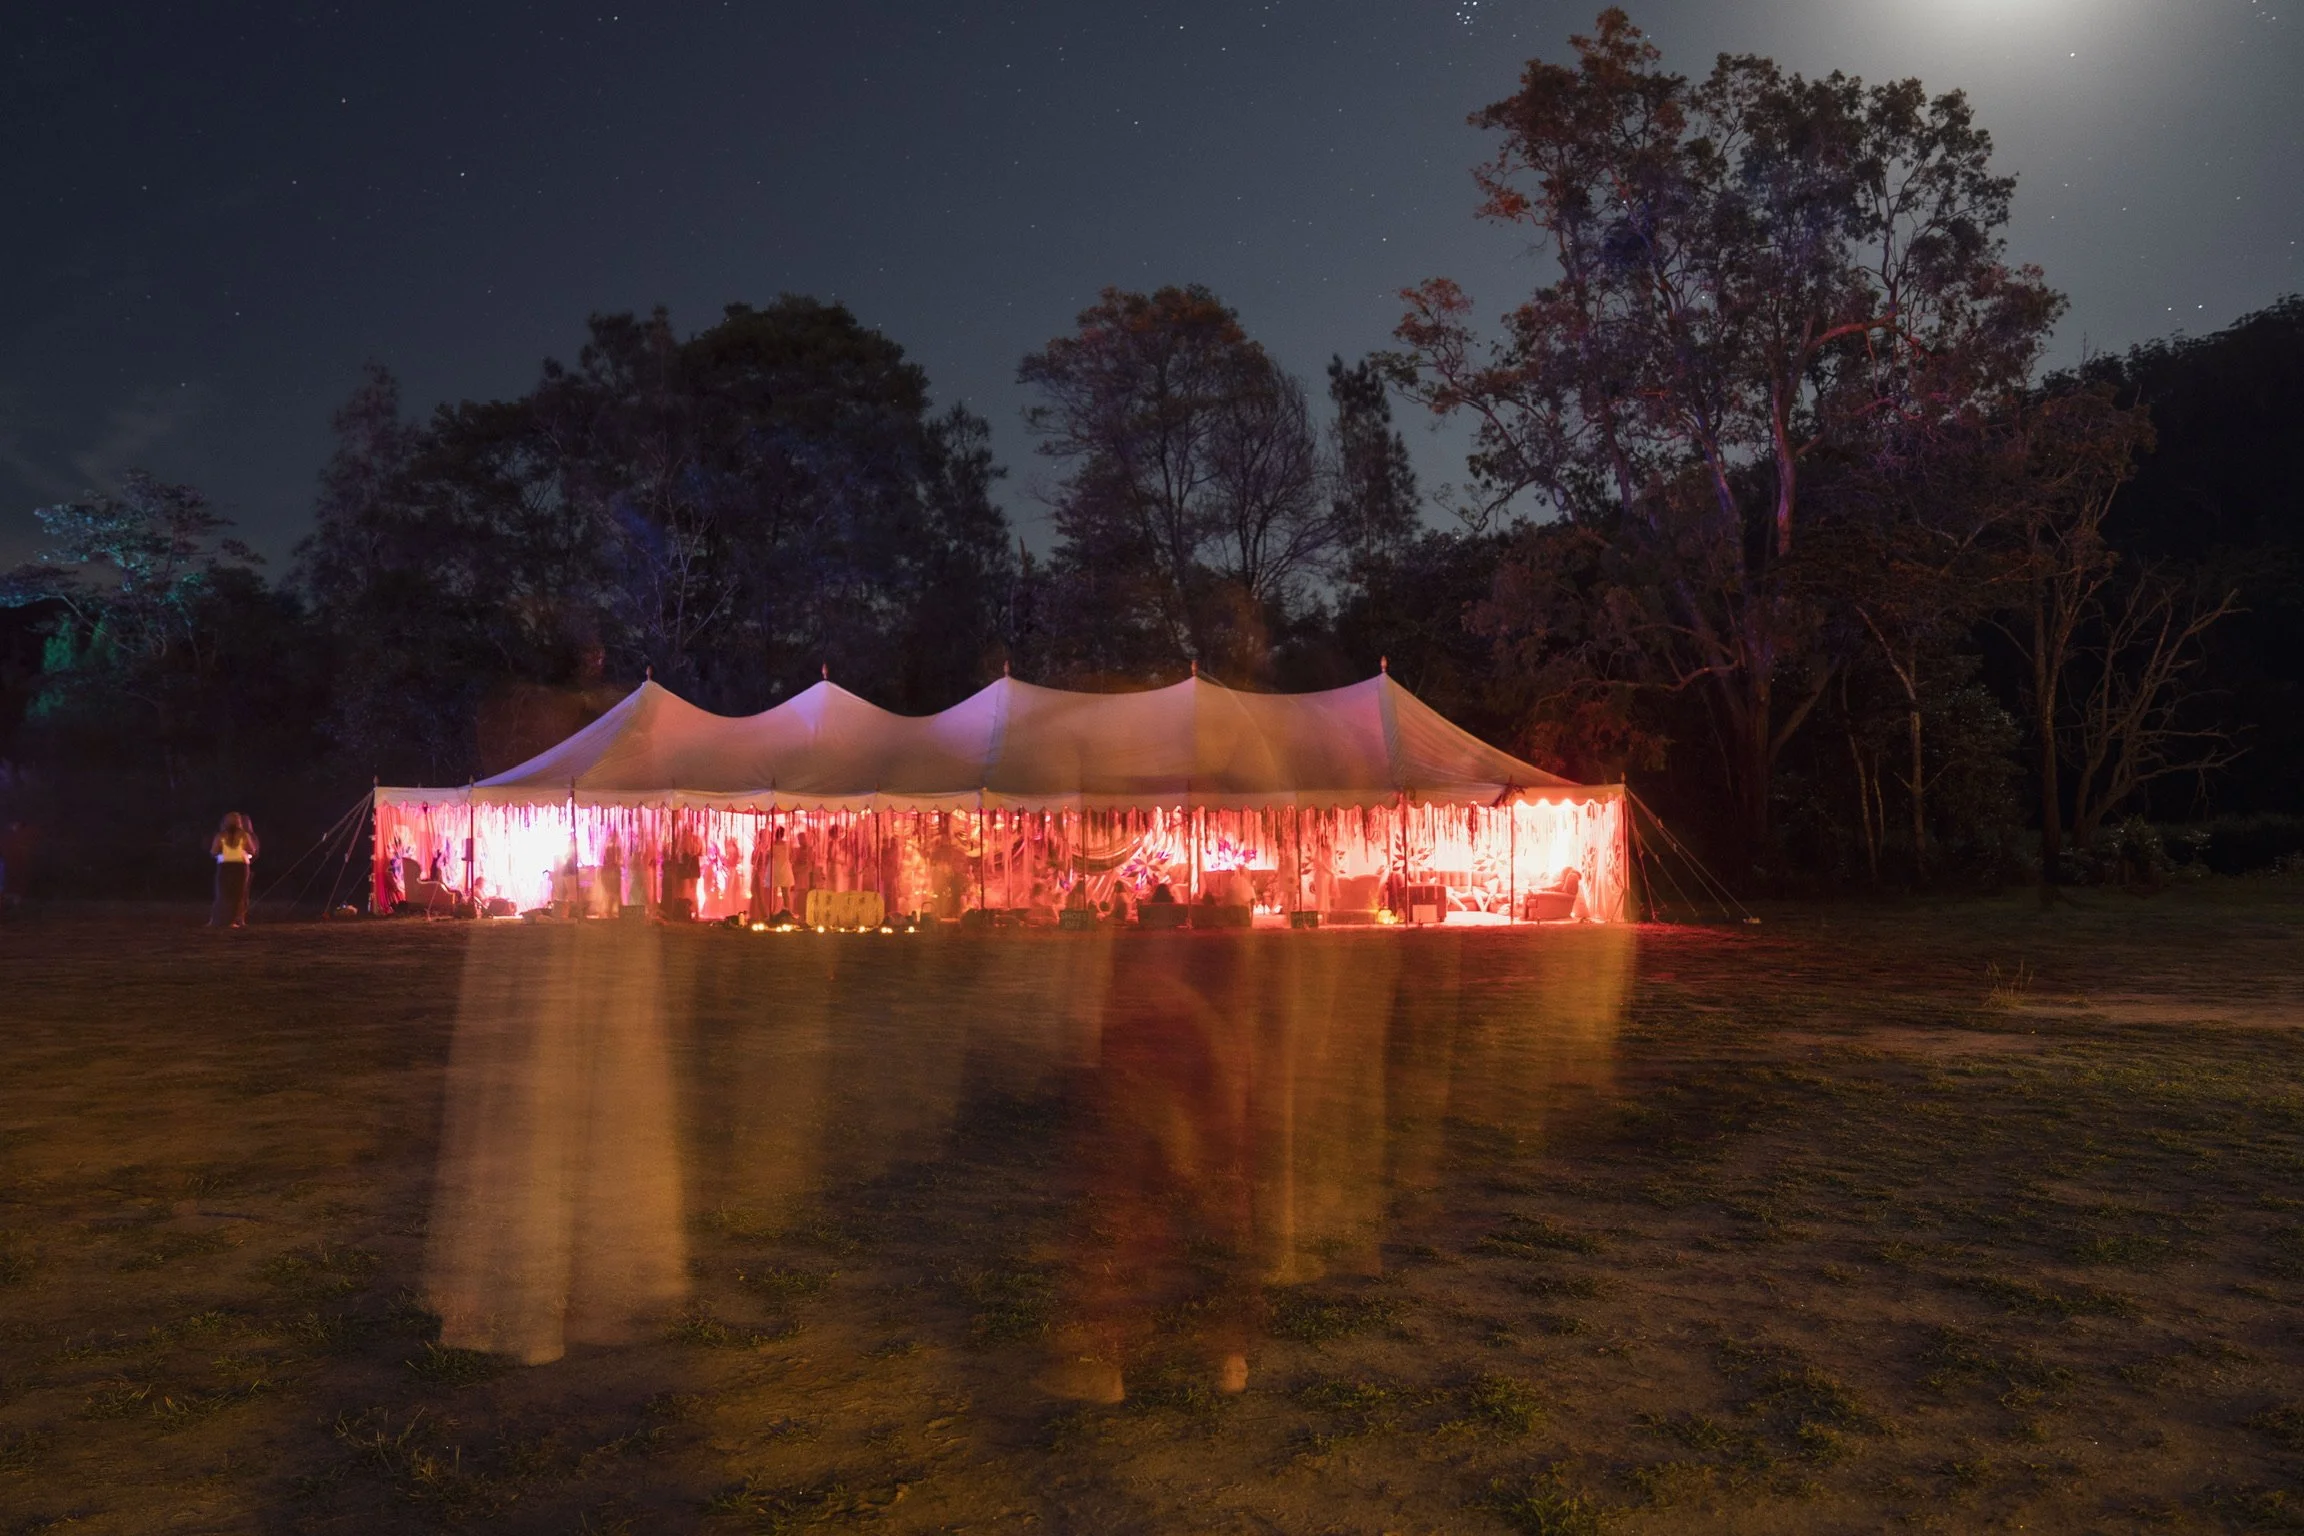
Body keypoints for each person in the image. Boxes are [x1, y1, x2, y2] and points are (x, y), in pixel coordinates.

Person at [210, 812, 259, 928]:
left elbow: (213, 851)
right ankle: (234, 920)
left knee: (223, 893)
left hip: (225, 865)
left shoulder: (221, 835)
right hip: (240, 866)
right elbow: (252, 850)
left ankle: (218, 920)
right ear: (239, 822)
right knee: (238, 894)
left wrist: (222, 853)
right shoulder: (244, 835)